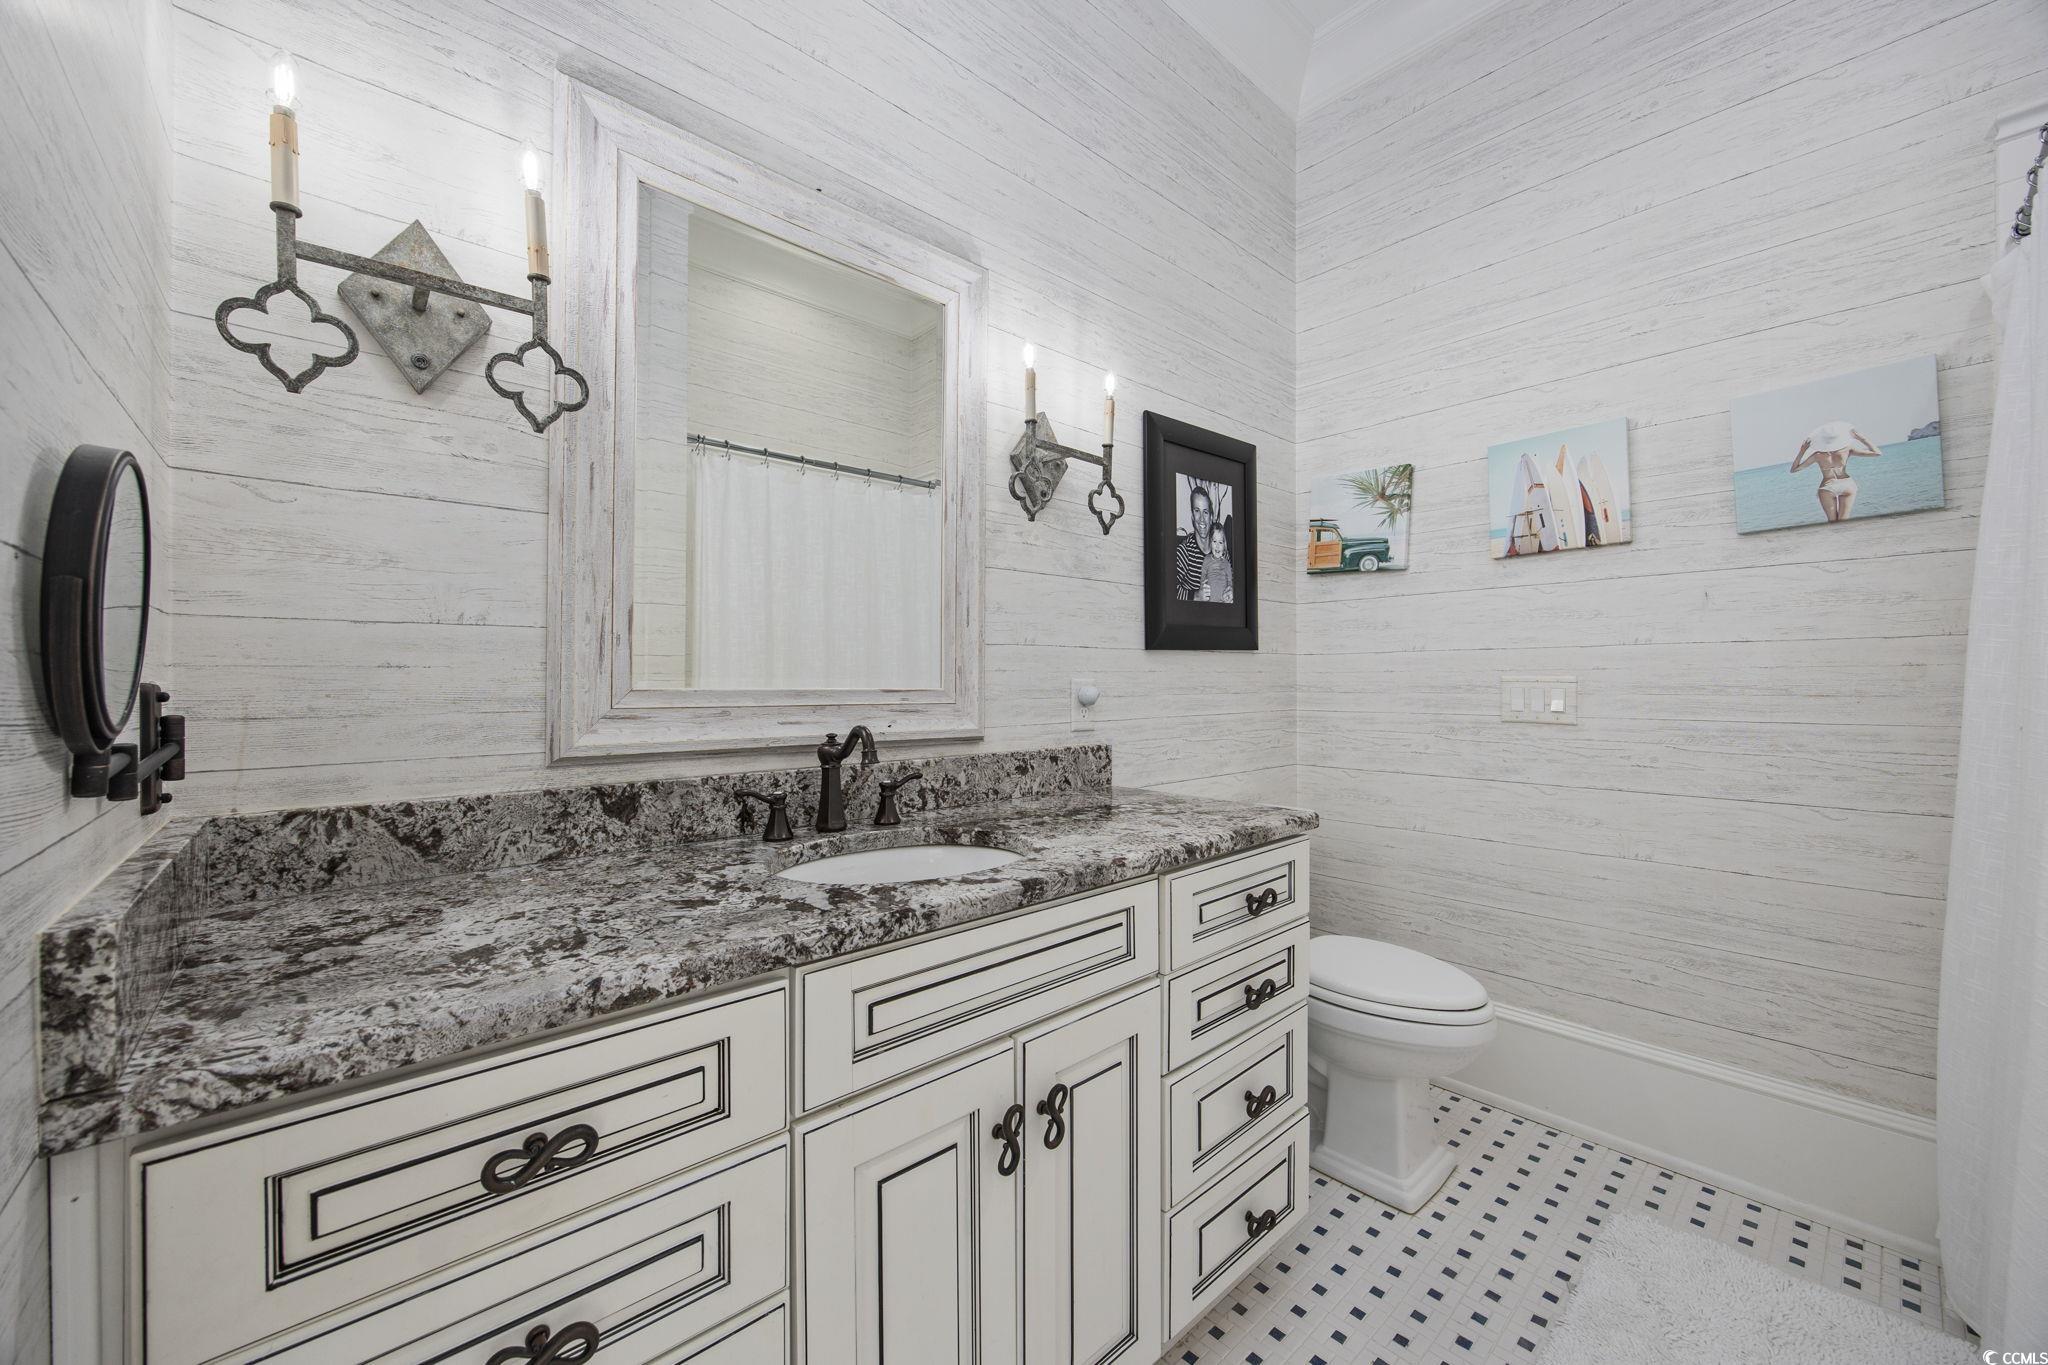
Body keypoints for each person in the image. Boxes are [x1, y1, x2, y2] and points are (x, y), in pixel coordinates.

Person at [1789, 420, 1882, 522]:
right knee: (1844, 523)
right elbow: (1877, 453)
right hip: (1847, 484)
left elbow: (1794, 469)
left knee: (1832, 523)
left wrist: (1802, 450)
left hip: (1828, 486)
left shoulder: (1818, 455)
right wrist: (1861, 438)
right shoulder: (1847, 449)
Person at [1175, 483, 1215, 599]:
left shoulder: (1220, 547)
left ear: (1211, 517)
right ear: (1192, 516)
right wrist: (1195, 596)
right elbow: (1169, 589)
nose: (1202, 518)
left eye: (1205, 512)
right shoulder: (1184, 552)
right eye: (1197, 511)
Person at [1200, 522, 1233, 602]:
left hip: (1223, 602)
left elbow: (1230, 582)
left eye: (1220, 542)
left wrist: (1230, 591)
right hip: (1209, 602)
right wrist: (1202, 590)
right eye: (1214, 541)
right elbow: (1202, 579)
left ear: (1224, 545)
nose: (1217, 546)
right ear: (1210, 543)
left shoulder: (1227, 564)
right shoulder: (1206, 559)